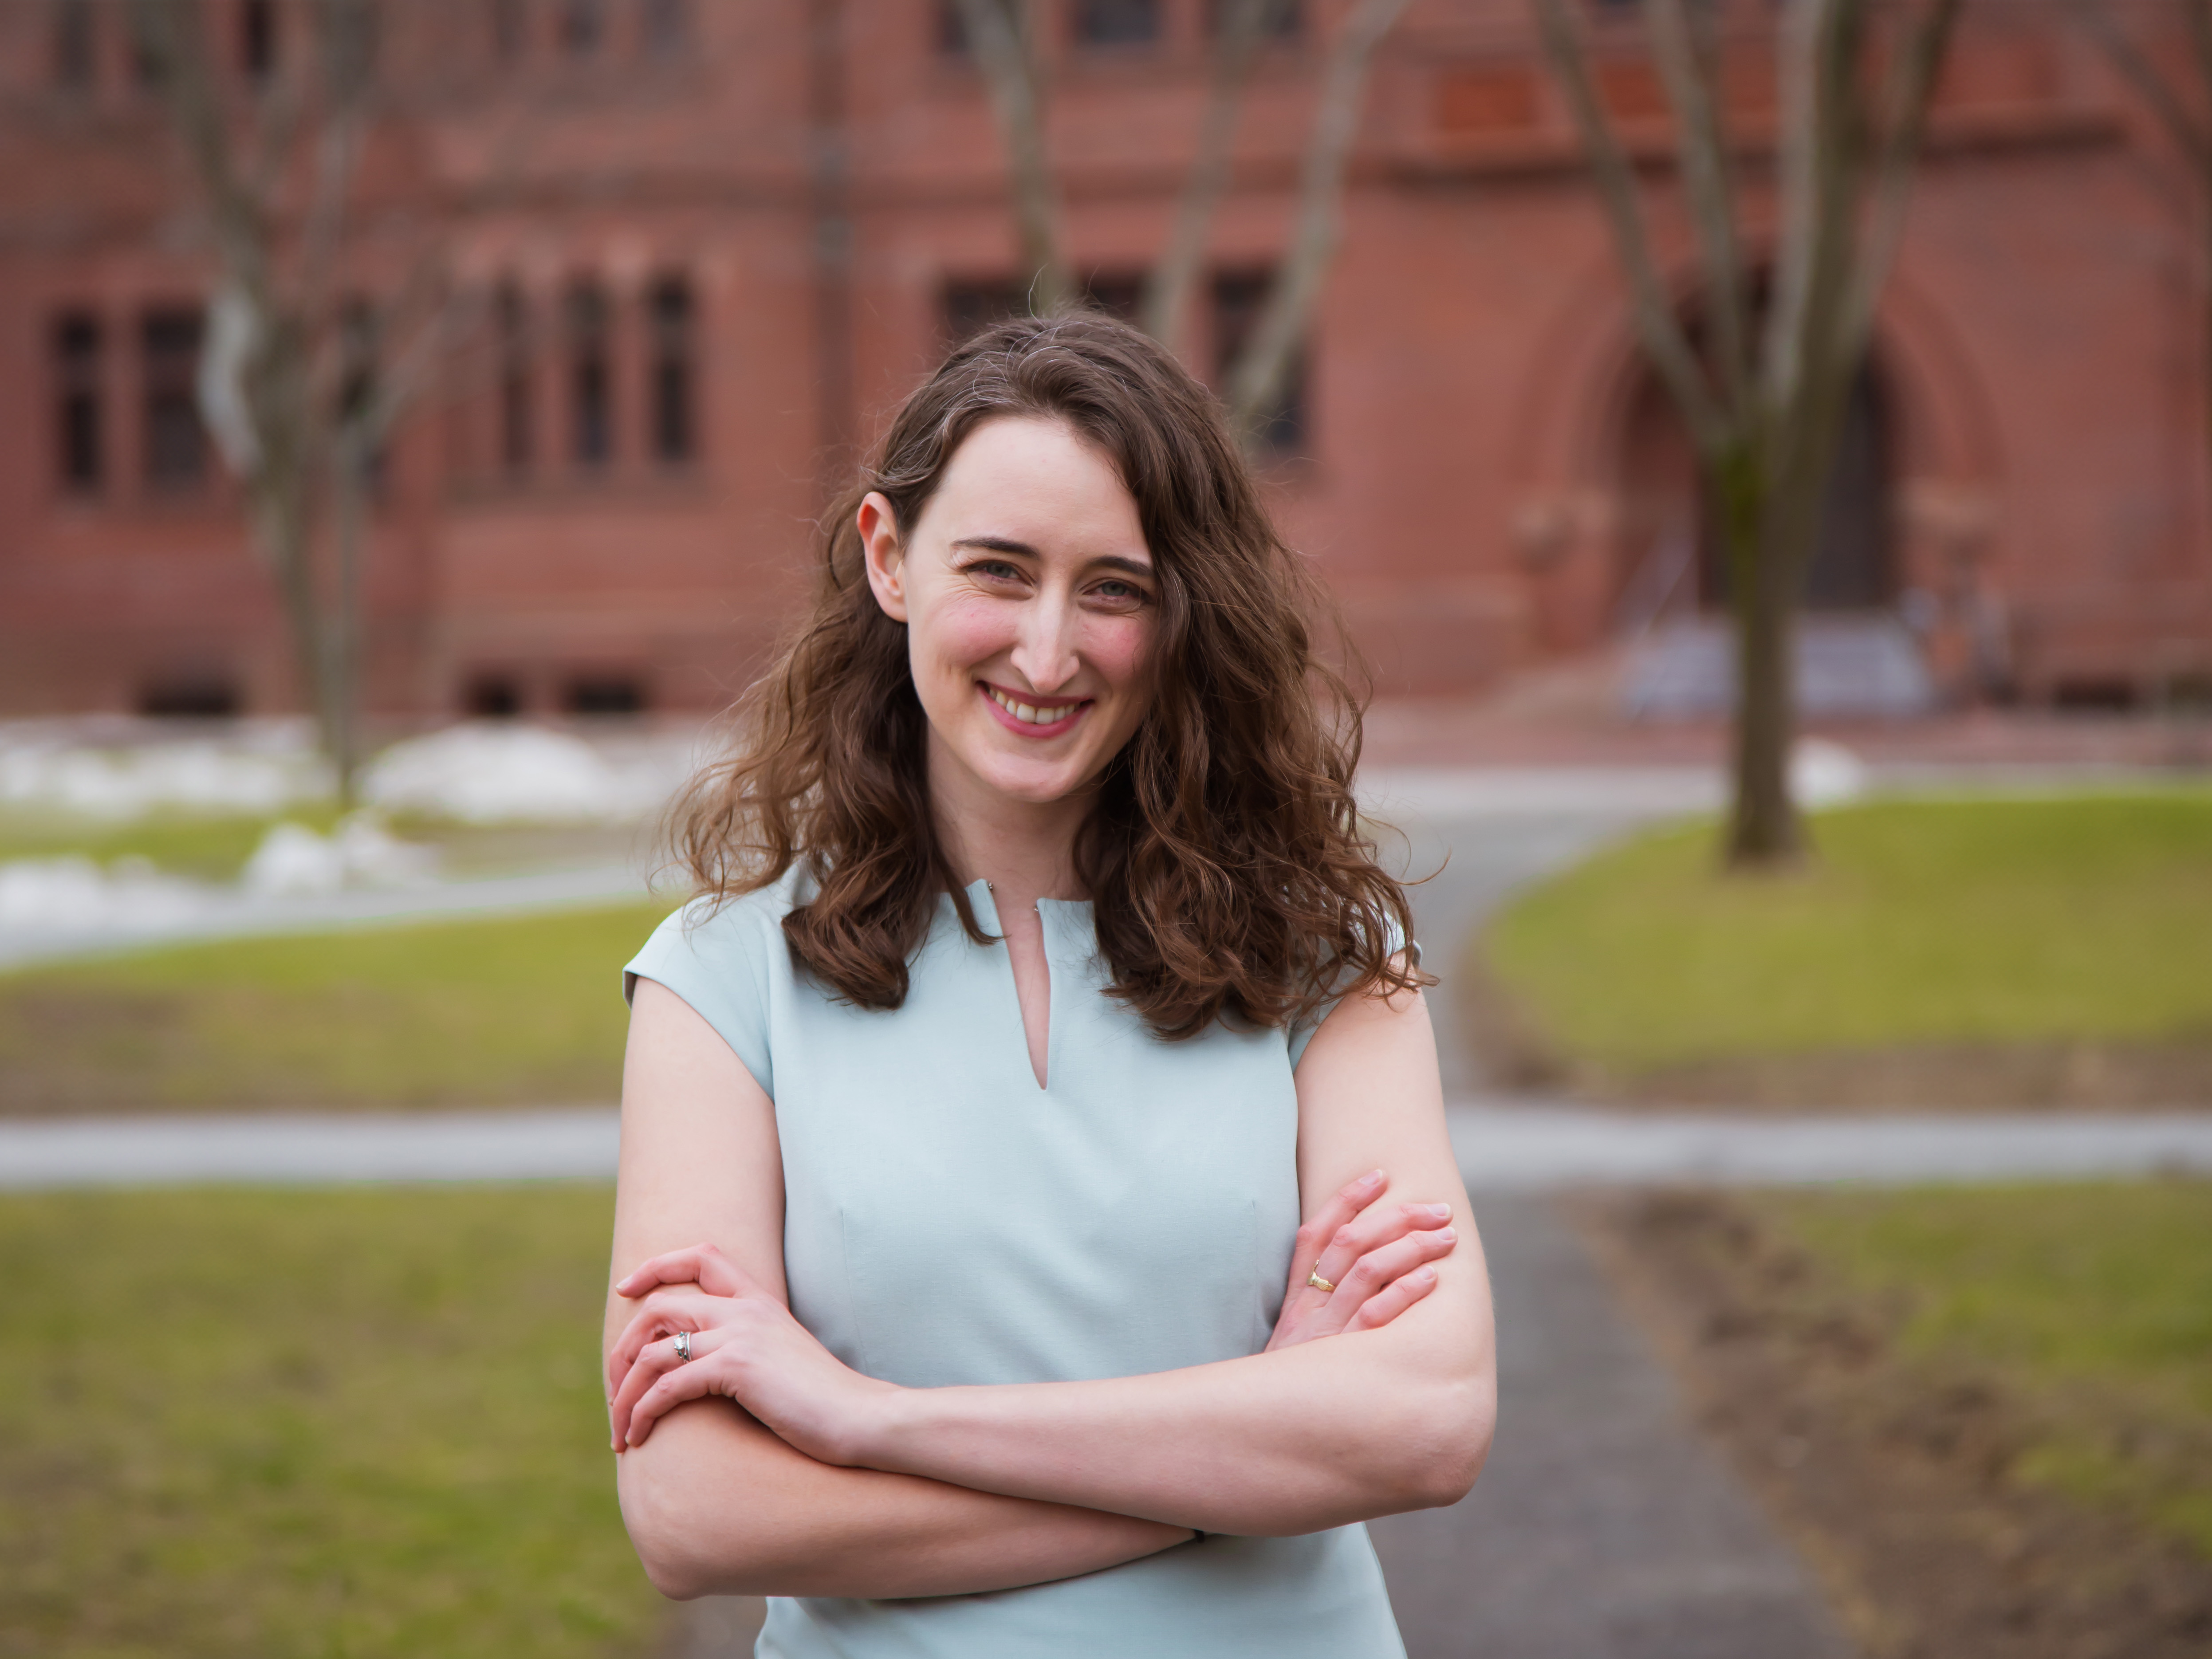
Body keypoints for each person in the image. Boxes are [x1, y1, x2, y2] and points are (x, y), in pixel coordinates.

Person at [602, 313, 1496, 1658]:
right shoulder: (722, 982)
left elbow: (1425, 1420)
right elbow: (695, 1511)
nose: (1045, 649)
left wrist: (867, 1419)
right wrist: (1244, 1448)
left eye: (1114, 589)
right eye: (999, 571)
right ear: (888, 558)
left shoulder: (1321, 961)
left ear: (1182, 609)